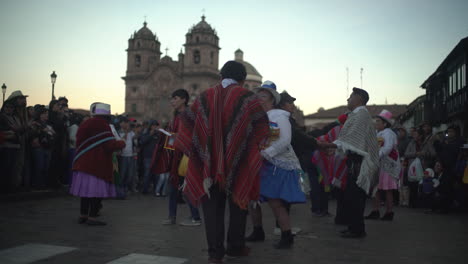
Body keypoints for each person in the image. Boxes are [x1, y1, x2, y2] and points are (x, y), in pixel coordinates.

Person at [175, 61, 269, 263]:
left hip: (208, 164)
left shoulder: (203, 97)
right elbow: (262, 126)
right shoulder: (248, 98)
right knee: (239, 202)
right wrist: (248, 148)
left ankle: (214, 253)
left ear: (221, 76)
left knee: (211, 208)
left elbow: (186, 123)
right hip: (240, 160)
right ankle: (235, 247)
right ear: (243, 79)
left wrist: (200, 152)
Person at [330, 87, 379, 238]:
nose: (348, 99)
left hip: (360, 162)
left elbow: (351, 140)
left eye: (350, 96)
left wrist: (328, 145)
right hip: (355, 161)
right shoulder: (356, 115)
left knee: (356, 196)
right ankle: (353, 226)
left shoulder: (361, 115)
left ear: (358, 98)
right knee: (352, 196)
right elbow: (349, 139)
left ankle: (357, 229)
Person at [70, 102, 125, 225]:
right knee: (96, 192)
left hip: (83, 162)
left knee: (85, 192)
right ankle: (92, 217)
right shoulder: (103, 125)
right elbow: (109, 145)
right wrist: (122, 143)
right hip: (96, 164)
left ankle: (83, 215)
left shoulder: (85, 123)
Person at [162, 89, 202, 226]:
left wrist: (179, 137)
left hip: (187, 156)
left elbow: (195, 134)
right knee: (173, 187)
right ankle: (171, 216)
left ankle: (196, 217)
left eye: (176, 98)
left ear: (184, 99)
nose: (172, 101)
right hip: (176, 155)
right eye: (172, 99)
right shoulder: (175, 116)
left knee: (187, 187)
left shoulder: (190, 115)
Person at [365, 110, 400, 221]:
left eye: (378, 121)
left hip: (388, 165)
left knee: (387, 189)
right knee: (377, 188)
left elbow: (388, 148)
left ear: (385, 123)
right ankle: (376, 210)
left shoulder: (388, 133)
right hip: (380, 164)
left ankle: (389, 212)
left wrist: (376, 155)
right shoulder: (378, 133)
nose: (376, 123)